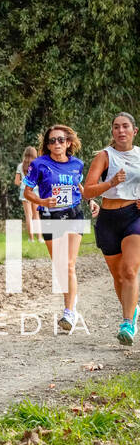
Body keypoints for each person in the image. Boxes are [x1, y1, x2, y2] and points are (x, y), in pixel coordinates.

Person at [23, 124, 99, 330]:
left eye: (61, 140)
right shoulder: (39, 164)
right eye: (52, 140)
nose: (56, 143)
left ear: (68, 143)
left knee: (69, 264)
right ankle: (71, 298)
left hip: (74, 213)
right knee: (60, 265)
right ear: (47, 145)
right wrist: (42, 201)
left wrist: (90, 200)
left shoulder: (77, 164)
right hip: (50, 215)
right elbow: (27, 192)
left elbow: (79, 186)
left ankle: (69, 312)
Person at [83, 112, 140, 346]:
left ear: (134, 131)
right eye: (116, 127)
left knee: (129, 271)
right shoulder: (105, 156)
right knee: (118, 276)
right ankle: (133, 309)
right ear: (112, 132)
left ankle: (127, 323)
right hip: (108, 219)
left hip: (134, 217)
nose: (121, 130)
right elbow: (87, 191)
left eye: (125, 126)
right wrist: (111, 183)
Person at [14, 146, 44, 242]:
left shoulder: (20, 166)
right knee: (36, 215)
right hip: (35, 191)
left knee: (28, 215)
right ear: (35, 155)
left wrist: (23, 182)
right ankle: (40, 238)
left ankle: (31, 239)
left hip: (24, 192)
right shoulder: (37, 165)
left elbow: (16, 182)